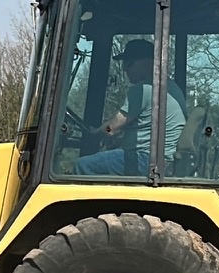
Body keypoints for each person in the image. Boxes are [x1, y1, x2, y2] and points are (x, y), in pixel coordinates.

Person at [74, 38, 186, 176]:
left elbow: (112, 128)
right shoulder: (171, 88)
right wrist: (120, 140)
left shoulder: (145, 89)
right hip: (162, 161)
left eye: (129, 63)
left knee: (83, 165)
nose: (125, 68)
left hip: (146, 161)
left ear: (148, 62)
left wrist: (100, 132)